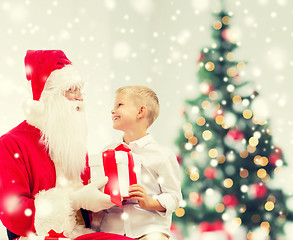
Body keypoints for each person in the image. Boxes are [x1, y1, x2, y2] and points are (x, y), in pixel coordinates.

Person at [0, 50, 134, 240]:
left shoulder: (71, 142)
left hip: (83, 233)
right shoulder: (11, 144)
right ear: (51, 95)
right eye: (72, 90)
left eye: (81, 90)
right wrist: (73, 202)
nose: (80, 98)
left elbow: (90, 198)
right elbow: (14, 214)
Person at [95, 85, 182, 240]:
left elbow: (174, 197)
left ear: (140, 111)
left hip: (149, 229)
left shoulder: (162, 155)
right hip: (112, 229)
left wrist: (149, 202)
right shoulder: (107, 152)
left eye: (119, 105)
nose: (112, 110)